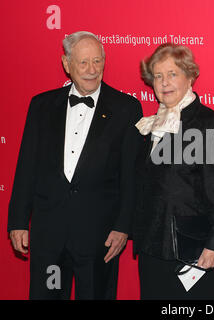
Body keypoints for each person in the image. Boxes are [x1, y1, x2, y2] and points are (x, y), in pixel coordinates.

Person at [8, 31, 143, 299]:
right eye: (83, 63)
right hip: (49, 235)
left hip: (99, 237)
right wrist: (18, 221)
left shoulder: (127, 108)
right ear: (66, 64)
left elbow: (132, 175)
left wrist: (123, 226)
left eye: (97, 61)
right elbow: (26, 167)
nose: (92, 70)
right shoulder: (41, 106)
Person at [133, 43, 214, 300]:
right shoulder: (149, 126)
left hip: (193, 248)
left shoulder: (209, 123)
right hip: (152, 248)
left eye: (172, 74)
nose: (164, 82)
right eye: (158, 76)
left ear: (190, 77)